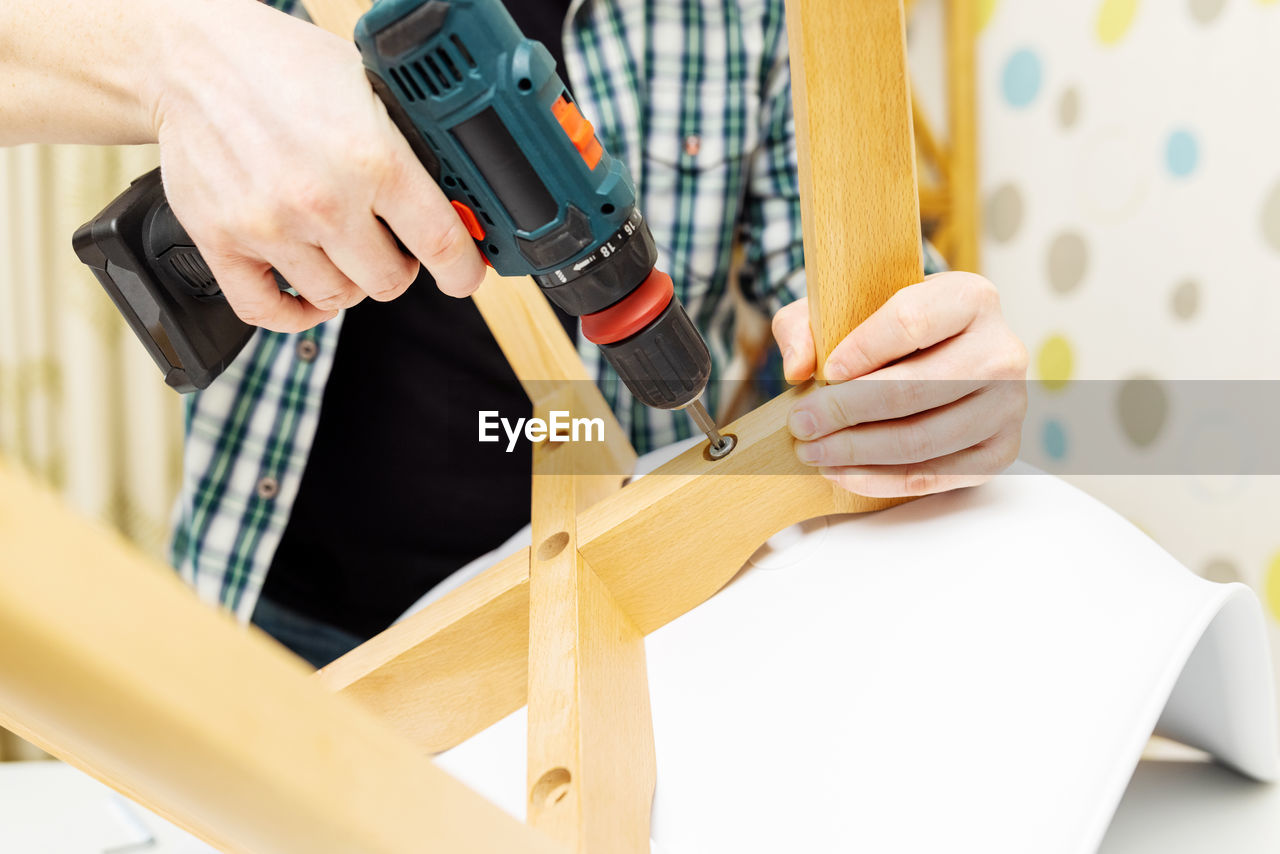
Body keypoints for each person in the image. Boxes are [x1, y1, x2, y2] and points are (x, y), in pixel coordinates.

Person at [1, 0, 1027, 667]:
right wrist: (180, 57)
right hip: (274, 639)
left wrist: (927, 357)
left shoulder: (749, 15)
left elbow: (846, 281)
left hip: (602, 636)